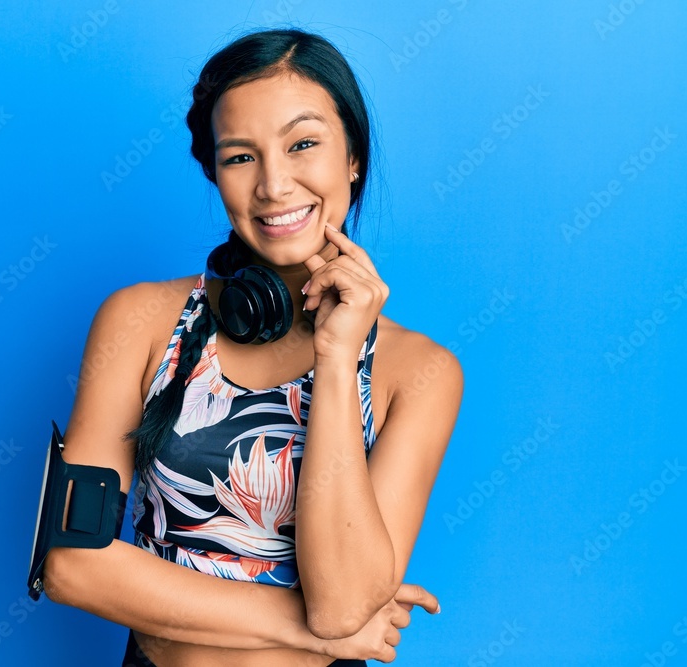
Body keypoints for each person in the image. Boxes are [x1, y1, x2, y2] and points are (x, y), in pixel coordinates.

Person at [42, 27, 463, 666]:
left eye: (303, 145)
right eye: (241, 157)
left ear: (353, 156)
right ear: (213, 172)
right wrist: (302, 630)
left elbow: (343, 605)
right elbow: (72, 563)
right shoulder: (139, 322)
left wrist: (338, 357)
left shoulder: (421, 373)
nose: (273, 184)